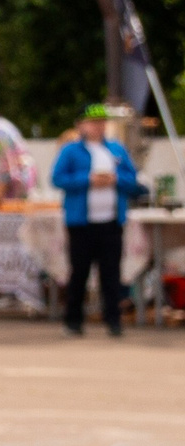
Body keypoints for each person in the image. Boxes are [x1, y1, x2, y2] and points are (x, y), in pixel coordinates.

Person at [51, 102, 143, 337]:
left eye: (102, 122)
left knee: (111, 274)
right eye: (93, 122)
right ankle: (73, 320)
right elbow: (58, 178)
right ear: (81, 125)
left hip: (111, 221)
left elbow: (132, 180)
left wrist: (115, 180)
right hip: (81, 222)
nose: (98, 127)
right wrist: (88, 179)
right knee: (79, 272)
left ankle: (113, 320)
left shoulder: (116, 149)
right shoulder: (71, 151)